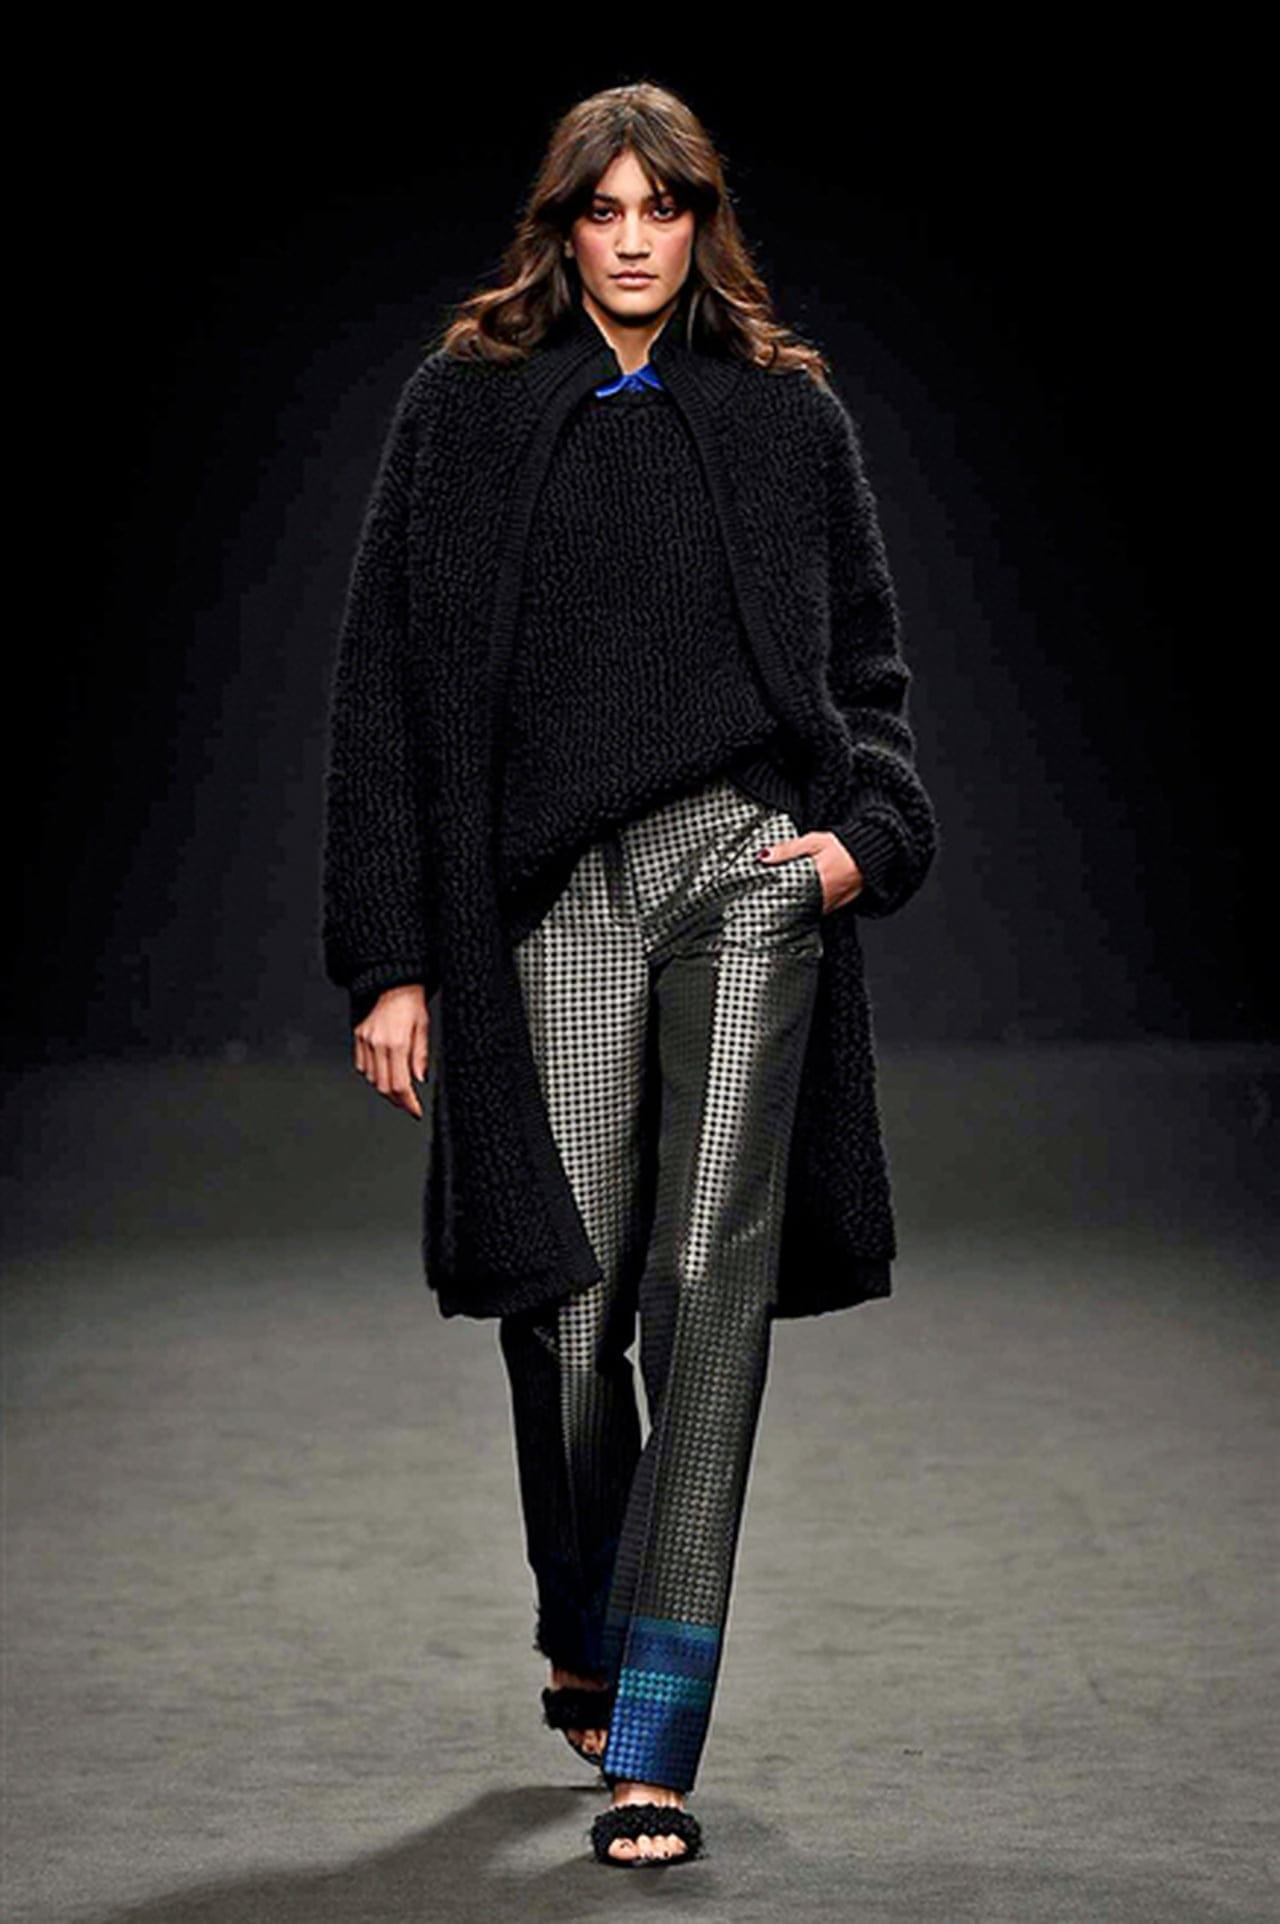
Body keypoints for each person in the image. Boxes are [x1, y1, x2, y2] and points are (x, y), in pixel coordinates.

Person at [320, 80, 939, 1869]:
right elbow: (385, 687)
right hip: (556, 897)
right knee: (573, 1307)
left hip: (744, 875)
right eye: (603, 208)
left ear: (702, 220)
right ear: (562, 226)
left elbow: (867, 670)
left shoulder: (786, 414)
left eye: (664, 206)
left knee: (707, 1288)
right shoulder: (467, 407)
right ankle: (584, 1621)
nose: (635, 238)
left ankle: (657, 1730)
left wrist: (863, 837)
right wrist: (391, 959)